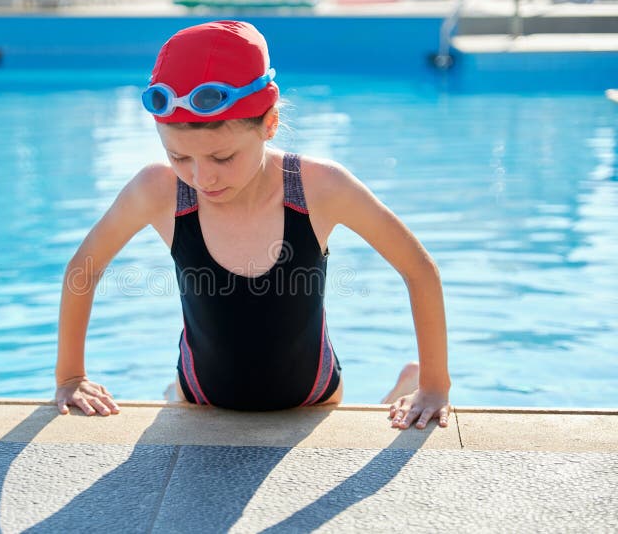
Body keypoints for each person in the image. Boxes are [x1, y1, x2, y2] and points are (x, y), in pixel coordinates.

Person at [55, 20, 451, 430]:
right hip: (201, 398)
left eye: (222, 158)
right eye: (179, 157)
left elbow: (418, 268)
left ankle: (413, 378)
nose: (201, 177)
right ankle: (171, 393)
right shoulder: (159, 190)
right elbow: (85, 267)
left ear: (269, 125)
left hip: (311, 398)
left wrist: (436, 387)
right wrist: (70, 377)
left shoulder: (318, 188)